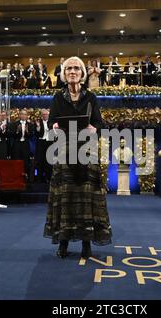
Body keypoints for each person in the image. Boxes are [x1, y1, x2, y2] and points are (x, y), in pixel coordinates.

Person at [44, 56, 112, 259]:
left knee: (85, 197)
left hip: (87, 151)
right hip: (63, 151)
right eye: (68, 69)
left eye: (76, 68)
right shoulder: (58, 97)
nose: (72, 71)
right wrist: (53, 127)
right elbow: (51, 124)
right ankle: (63, 242)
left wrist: (94, 128)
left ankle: (86, 244)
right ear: (64, 74)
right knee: (65, 197)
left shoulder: (90, 97)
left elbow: (99, 124)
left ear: (82, 73)